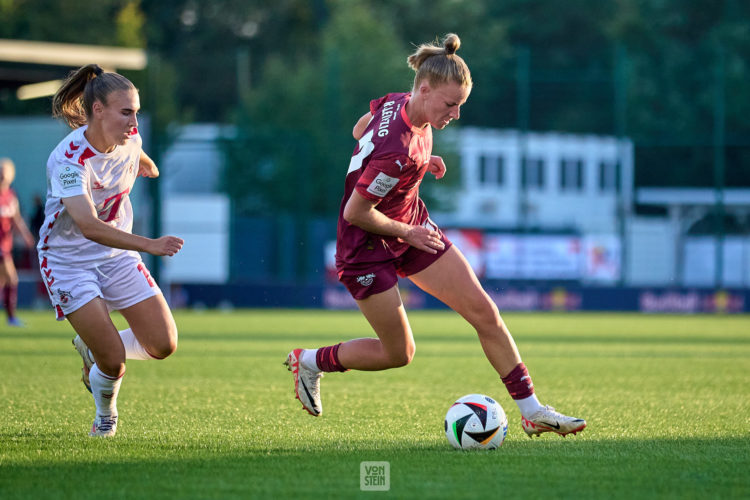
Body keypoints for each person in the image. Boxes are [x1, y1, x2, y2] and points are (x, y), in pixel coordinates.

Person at [285, 34, 586, 438]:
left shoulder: (398, 104)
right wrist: (405, 187)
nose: (455, 114)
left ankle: (532, 411)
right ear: (424, 90)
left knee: (485, 313)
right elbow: (355, 212)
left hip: (411, 228)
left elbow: (362, 130)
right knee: (399, 353)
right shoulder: (399, 149)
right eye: (450, 105)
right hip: (366, 247)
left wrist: (421, 164)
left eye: (461, 105)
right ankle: (311, 361)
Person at [40, 64, 184, 437]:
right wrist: (150, 245)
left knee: (164, 344)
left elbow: (137, 155)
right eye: (126, 112)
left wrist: (147, 166)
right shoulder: (68, 161)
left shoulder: (129, 140)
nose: (134, 121)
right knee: (114, 362)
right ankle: (105, 416)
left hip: (115, 257)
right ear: (98, 110)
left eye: (136, 111)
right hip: (68, 261)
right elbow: (88, 226)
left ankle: (92, 345)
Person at [0, 158, 36, 326]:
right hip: (1, 247)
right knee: (12, 278)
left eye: (4, 173)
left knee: (3, 281)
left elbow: (16, 219)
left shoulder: (10, 196)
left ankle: (10, 316)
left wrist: (26, 235)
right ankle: (11, 317)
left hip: (7, 244)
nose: (2, 177)